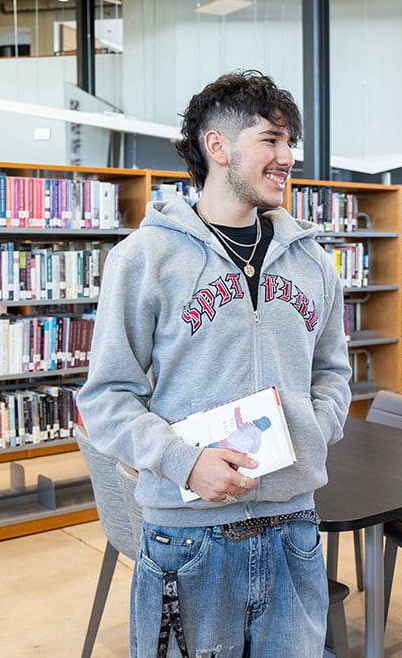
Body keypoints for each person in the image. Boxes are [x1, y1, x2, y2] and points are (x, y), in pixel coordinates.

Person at [77, 69, 352, 657]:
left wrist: (316, 425)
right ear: (218, 146)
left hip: (292, 530)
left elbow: (333, 373)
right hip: (186, 536)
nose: (287, 157)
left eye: (289, 142)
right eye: (270, 140)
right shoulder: (146, 258)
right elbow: (105, 399)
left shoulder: (313, 263)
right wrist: (184, 462)